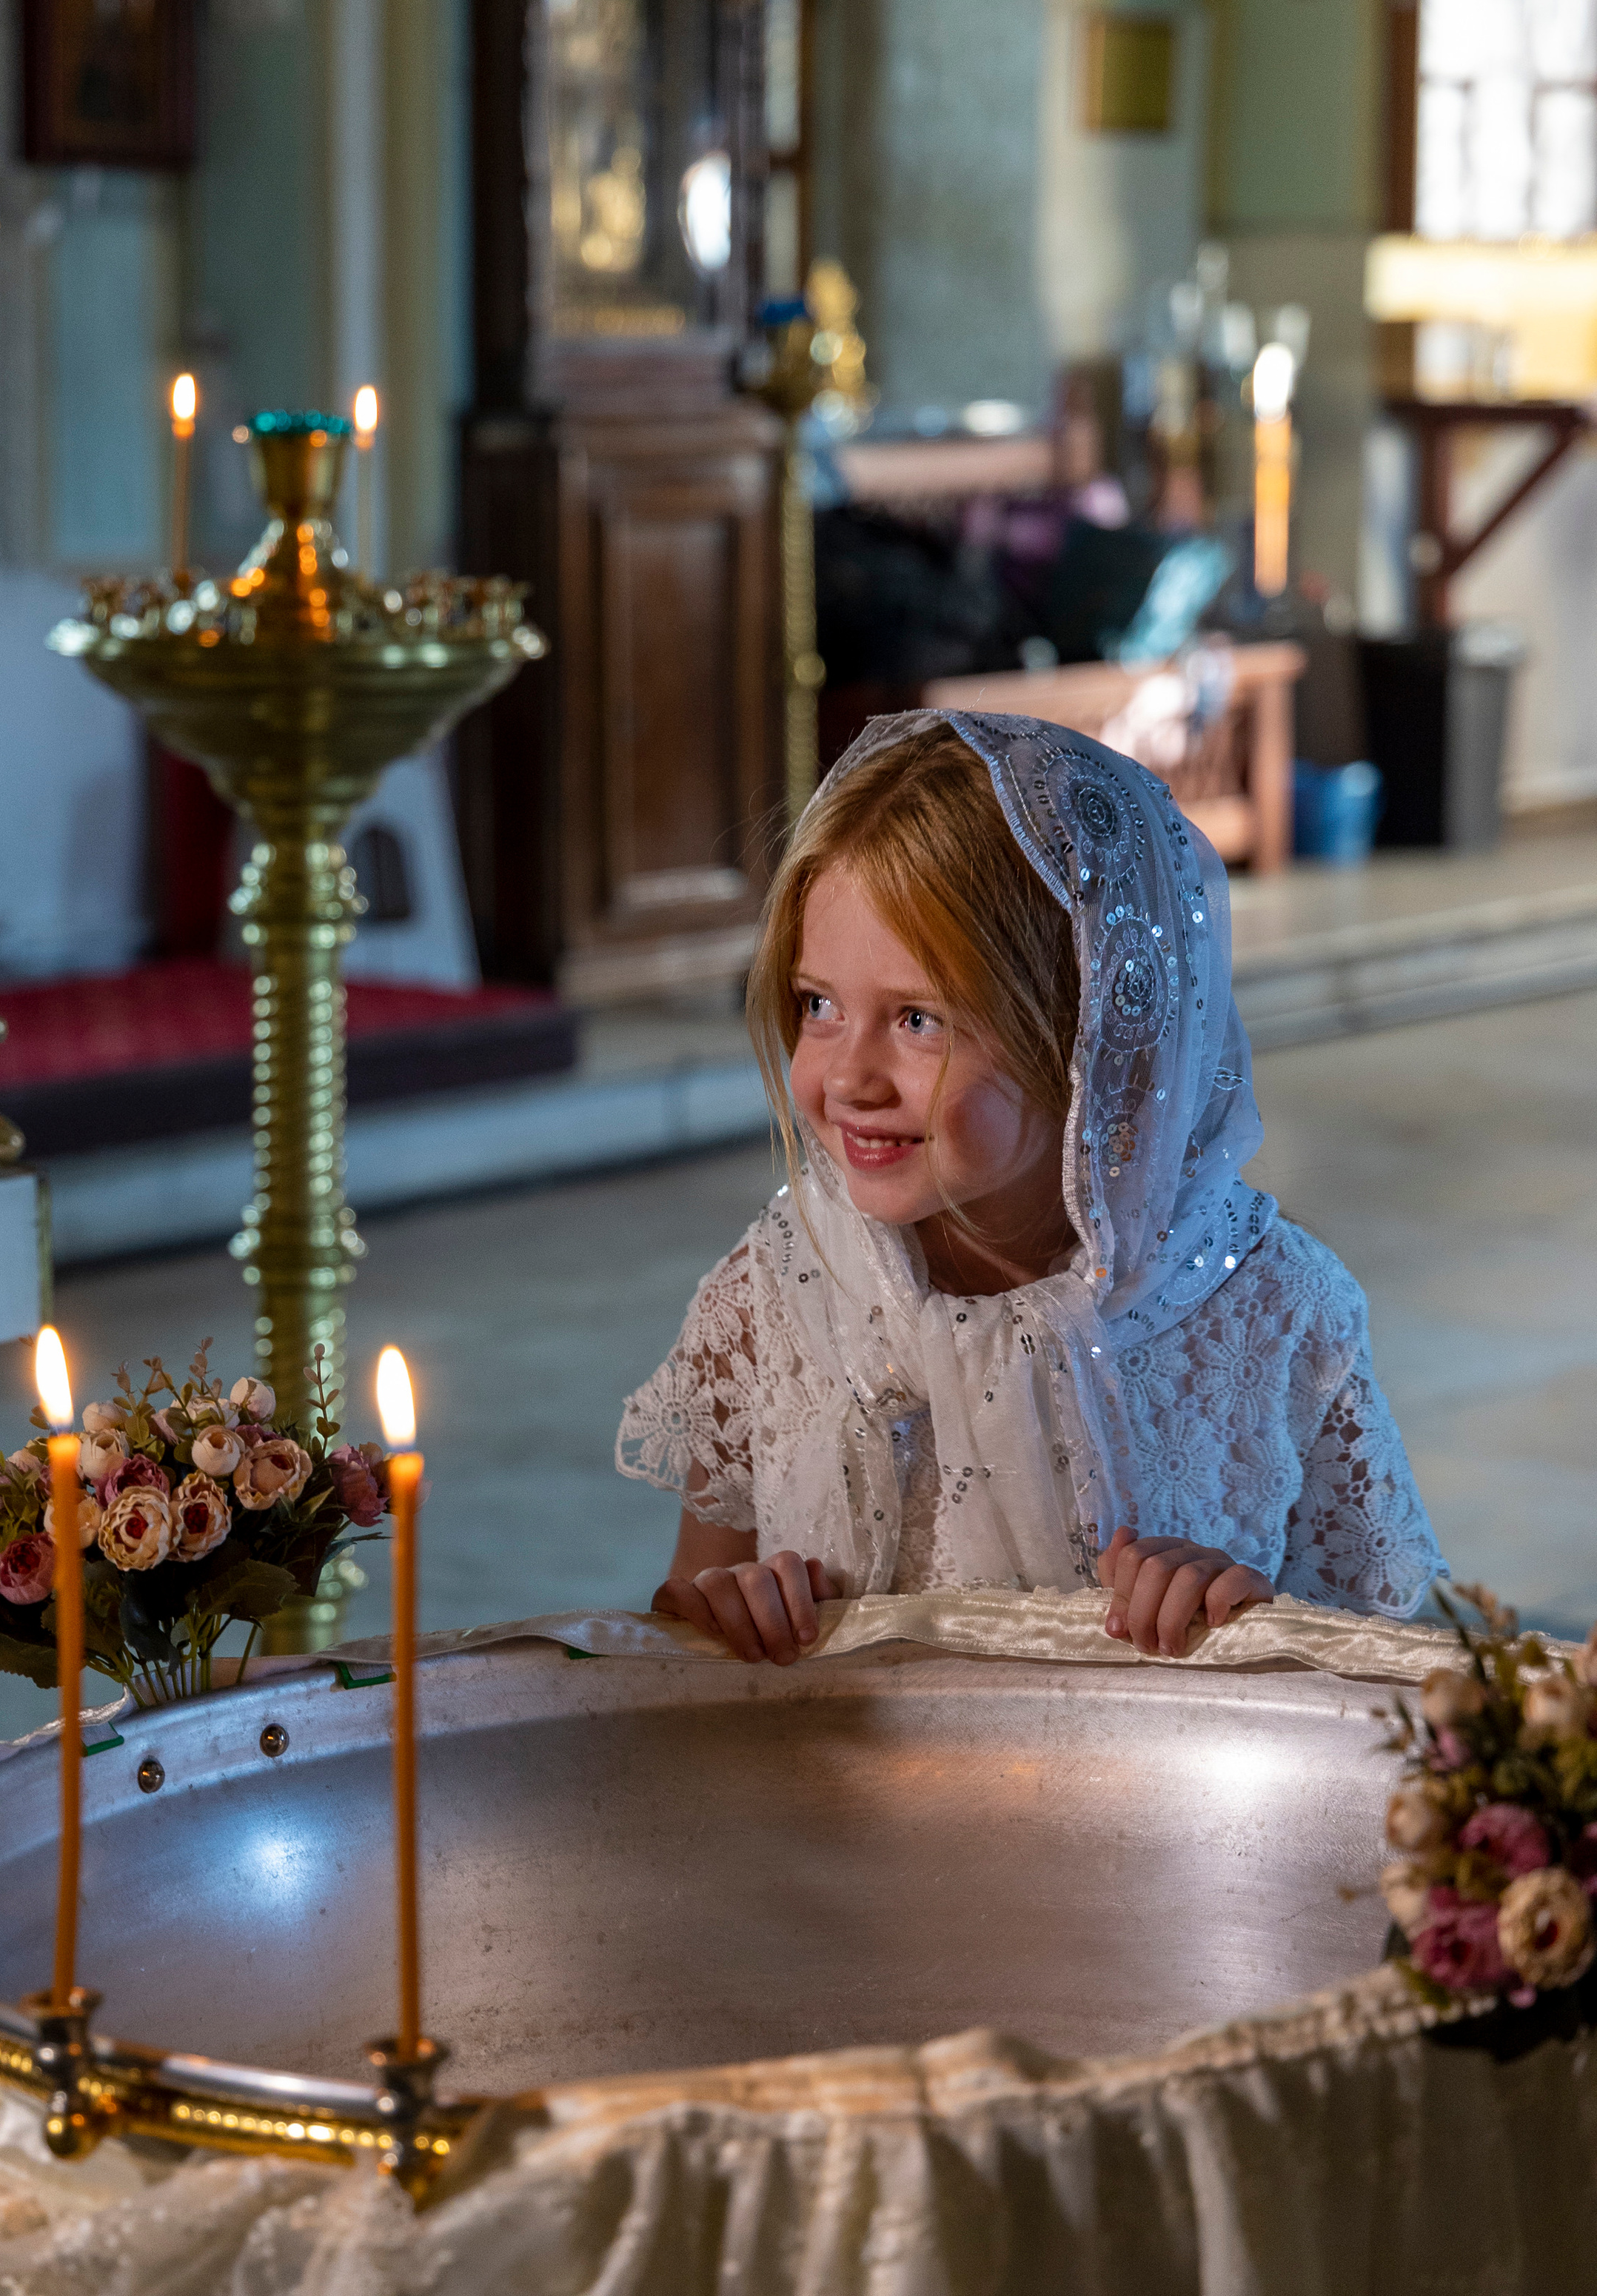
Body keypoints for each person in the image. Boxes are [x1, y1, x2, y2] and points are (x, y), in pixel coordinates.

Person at [617, 709, 1444, 1664]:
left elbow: (1382, 1688)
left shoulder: (1273, 1312)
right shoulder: (771, 1304)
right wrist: (729, 1610)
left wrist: (1247, 1616)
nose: (848, 1079)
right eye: (819, 1006)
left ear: (1089, 1036)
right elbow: (685, 1640)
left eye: (920, 1020)